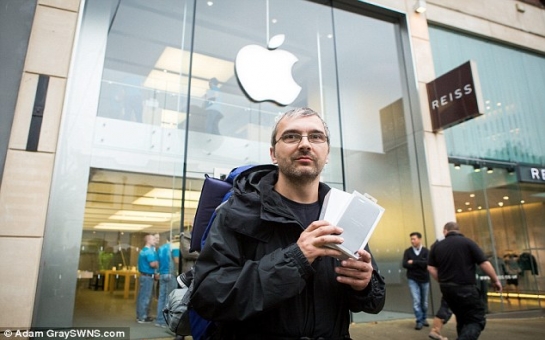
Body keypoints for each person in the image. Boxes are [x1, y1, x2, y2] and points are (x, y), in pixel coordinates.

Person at [191, 107, 386, 339]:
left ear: (327, 152)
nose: (305, 144)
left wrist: (364, 284)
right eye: (291, 136)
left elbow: (374, 302)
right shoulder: (237, 210)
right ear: (273, 153)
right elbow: (208, 297)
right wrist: (296, 259)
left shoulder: (345, 212)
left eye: (316, 137)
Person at [428, 221, 502, 340]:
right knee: (476, 320)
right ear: (458, 230)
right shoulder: (468, 243)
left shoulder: (437, 246)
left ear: (445, 231)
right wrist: (495, 280)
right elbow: (484, 263)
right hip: (466, 288)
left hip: (447, 289)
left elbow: (430, 267)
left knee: (462, 318)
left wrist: (441, 279)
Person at [402, 231, 430, 330]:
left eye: (414, 239)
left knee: (424, 302)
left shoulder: (426, 251)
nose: (412, 241)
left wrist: (413, 262)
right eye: (411, 239)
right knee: (416, 300)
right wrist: (420, 263)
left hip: (424, 279)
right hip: (412, 279)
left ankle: (424, 318)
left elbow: (427, 264)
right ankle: (419, 320)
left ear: (419, 239)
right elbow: (405, 264)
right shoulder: (408, 251)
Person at [154, 235, 180, 328]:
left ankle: (159, 320)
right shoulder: (175, 247)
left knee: (161, 297)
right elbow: (177, 261)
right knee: (169, 298)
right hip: (170, 275)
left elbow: (157, 263)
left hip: (162, 275)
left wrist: (157, 272)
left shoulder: (160, 249)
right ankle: (166, 322)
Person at [136, 234, 158, 323]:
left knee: (143, 297)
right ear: (148, 240)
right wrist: (158, 262)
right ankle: (142, 317)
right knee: (145, 297)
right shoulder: (149, 251)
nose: (155, 240)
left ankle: (142, 315)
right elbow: (153, 264)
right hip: (147, 277)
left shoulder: (143, 250)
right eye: (153, 239)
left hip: (144, 276)